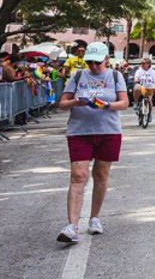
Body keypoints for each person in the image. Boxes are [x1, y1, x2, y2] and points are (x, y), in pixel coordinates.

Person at [55, 42, 129, 244]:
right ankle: (72, 226)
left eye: (97, 62)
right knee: (78, 176)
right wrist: (75, 102)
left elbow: (124, 102)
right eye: (89, 62)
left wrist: (106, 105)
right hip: (80, 132)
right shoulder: (78, 76)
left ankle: (94, 218)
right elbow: (62, 103)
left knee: (101, 174)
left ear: (106, 59)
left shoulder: (115, 76)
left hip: (108, 131)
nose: (93, 66)